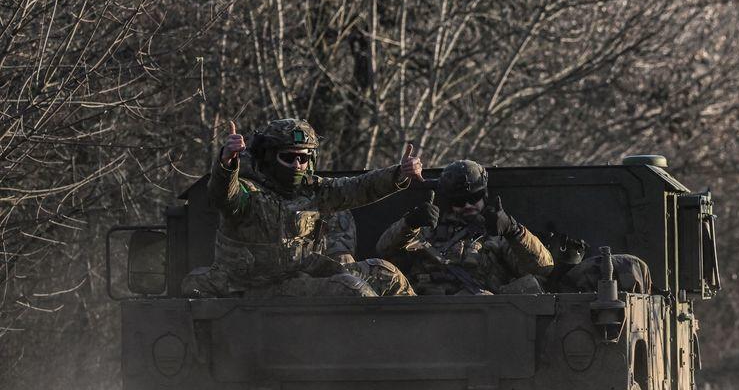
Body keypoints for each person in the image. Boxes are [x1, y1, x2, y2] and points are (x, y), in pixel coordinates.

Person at [181, 118, 419, 298]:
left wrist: (399, 173)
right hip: (259, 287)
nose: (297, 165)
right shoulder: (249, 193)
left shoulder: (313, 191)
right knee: (352, 291)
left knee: (385, 273)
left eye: (303, 158)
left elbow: (358, 188)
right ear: (269, 157)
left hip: (303, 276)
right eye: (289, 157)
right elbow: (223, 195)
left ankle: (419, 345)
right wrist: (226, 163)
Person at [376, 159, 553, 294]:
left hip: (480, 313)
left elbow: (543, 268)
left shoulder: (497, 234)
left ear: (485, 196)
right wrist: (410, 222)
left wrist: (514, 230)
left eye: (474, 198)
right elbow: (383, 249)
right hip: (425, 309)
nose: (468, 205)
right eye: (459, 201)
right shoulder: (428, 229)